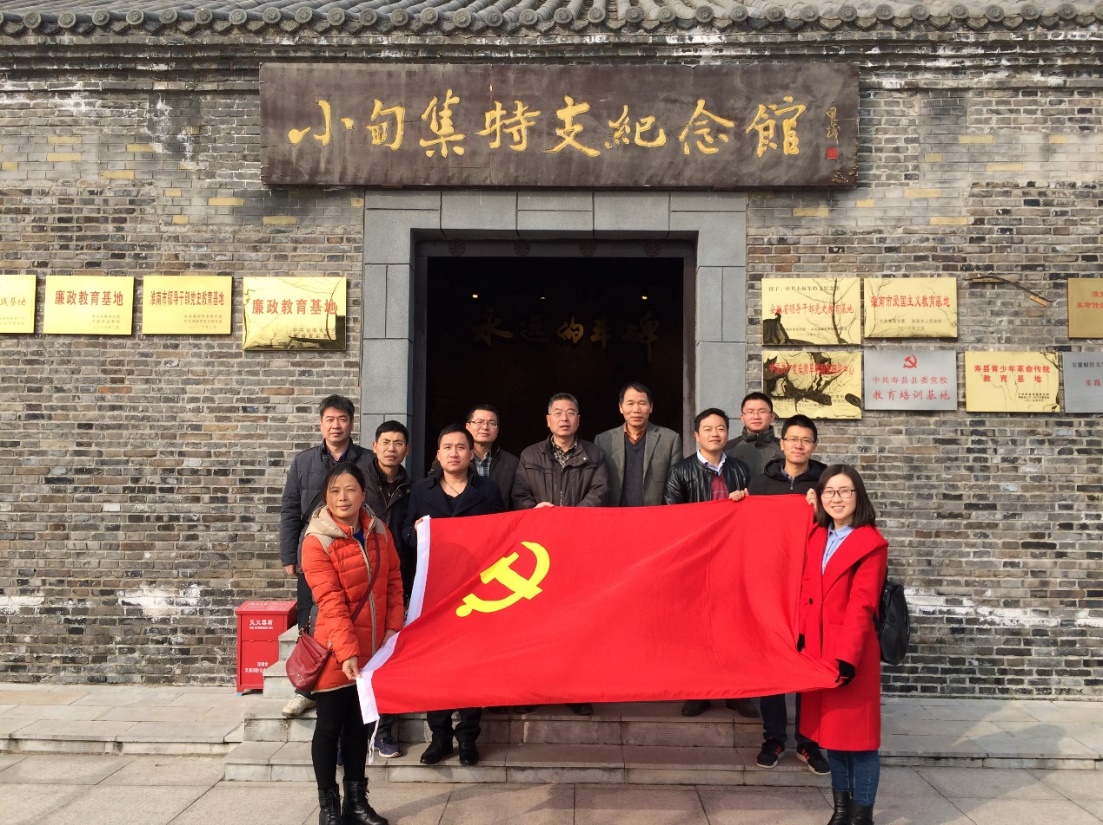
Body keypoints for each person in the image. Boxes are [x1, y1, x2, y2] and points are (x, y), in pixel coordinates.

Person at [301, 463, 403, 825]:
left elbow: (394, 579)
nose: (342, 497)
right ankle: (329, 807)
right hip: (334, 649)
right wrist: (347, 652)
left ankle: (356, 804)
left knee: (360, 727)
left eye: (349, 490)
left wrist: (392, 627)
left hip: (372, 649)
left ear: (363, 494)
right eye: (334, 491)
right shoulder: (317, 541)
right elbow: (330, 601)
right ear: (326, 497)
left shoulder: (379, 531)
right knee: (329, 727)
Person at [403, 423, 507, 767]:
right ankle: (440, 737)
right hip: (435, 592)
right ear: (438, 453)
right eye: (447, 447)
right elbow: (404, 533)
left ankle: (468, 738)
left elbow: (503, 535)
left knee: (470, 665)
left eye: (461, 447)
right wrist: (415, 532)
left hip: (475, 593)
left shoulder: (487, 490)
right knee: (436, 665)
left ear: (470, 453)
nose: (454, 453)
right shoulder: (422, 490)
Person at [797, 465, 888, 825]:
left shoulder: (871, 543)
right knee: (832, 736)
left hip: (851, 652)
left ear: (858, 496)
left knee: (860, 741)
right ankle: (840, 810)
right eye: (829, 491)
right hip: (818, 650)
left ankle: (862, 815)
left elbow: (862, 606)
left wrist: (847, 658)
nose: (836, 498)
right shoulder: (817, 535)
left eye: (844, 491)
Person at [512, 392, 610, 716]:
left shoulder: (594, 454)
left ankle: (575, 690)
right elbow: (519, 495)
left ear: (578, 420)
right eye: (558, 412)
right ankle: (534, 688)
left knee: (576, 621)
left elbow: (600, 492)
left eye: (570, 413)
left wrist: (570, 518)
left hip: (580, 549)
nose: (564, 418)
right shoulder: (530, 455)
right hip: (540, 551)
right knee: (536, 622)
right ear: (548, 420)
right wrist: (537, 511)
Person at [280, 395, 375, 718]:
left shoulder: (367, 461)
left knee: (351, 617)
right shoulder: (304, 462)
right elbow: (290, 510)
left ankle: (350, 682)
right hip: (314, 554)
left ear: (352, 423)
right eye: (330, 420)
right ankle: (306, 688)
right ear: (321, 424)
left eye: (342, 419)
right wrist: (288, 554)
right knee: (311, 622)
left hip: (354, 554)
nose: (336, 426)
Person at [662, 407, 758, 719]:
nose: (715, 434)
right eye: (708, 429)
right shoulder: (680, 471)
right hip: (697, 561)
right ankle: (698, 691)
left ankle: (737, 692)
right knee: (697, 628)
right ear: (696, 435)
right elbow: (672, 518)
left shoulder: (741, 470)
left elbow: (753, 515)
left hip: (733, 559)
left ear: (728, 433)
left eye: (720, 428)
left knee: (735, 625)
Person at [747, 414, 829, 775]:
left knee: (810, 661)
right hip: (772, 584)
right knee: (773, 661)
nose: (798, 445)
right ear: (781, 443)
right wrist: (738, 503)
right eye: (793, 438)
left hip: (813, 585)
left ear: (814, 445)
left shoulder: (828, 483)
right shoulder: (761, 484)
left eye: (806, 440)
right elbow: (748, 532)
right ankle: (774, 738)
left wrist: (820, 509)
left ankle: (809, 742)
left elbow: (846, 524)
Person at [362, 420, 412, 760]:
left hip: (397, 579)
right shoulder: (358, 482)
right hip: (361, 579)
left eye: (398, 443)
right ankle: (353, 733)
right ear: (375, 446)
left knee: (390, 656)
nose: (391, 448)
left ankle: (384, 731)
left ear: (406, 449)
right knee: (359, 657)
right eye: (386, 442)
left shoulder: (413, 488)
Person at [594, 382, 683, 507]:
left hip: (655, 515)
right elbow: (597, 485)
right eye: (630, 403)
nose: (636, 410)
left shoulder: (670, 439)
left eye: (642, 403)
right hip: (615, 514)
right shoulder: (603, 440)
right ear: (620, 407)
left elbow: (676, 487)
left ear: (651, 407)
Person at [428, 404, 519, 507]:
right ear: (467, 427)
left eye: (491, 423)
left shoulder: (511, 463)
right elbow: (432, 489)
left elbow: (517, 499)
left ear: (497, 430)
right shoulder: (450, 458)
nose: (485, 427)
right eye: (479, 422)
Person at [724, 391, 782, 478]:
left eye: (762, 411)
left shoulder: (785, 448)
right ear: (742, 418)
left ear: (772, 417)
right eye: (750, 412)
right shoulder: (727, 449)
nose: (756, 417)